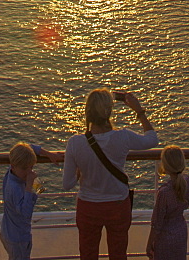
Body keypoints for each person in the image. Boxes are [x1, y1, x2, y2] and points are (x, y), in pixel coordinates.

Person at [62, 88, 158, 260]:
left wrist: (80, 169)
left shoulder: (75, 143)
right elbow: (152, 139)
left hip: (88, 207)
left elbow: (67, 184)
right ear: (109, 112)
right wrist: (139, 110)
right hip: (117, 204)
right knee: (118, 254)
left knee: (88, 255)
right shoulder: (123, 137)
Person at [145, 145, 189, 260]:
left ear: (165, 166)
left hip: (165, 236)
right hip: (181, 230)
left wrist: (149, 245)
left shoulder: (164, 192)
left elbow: (157, 223)